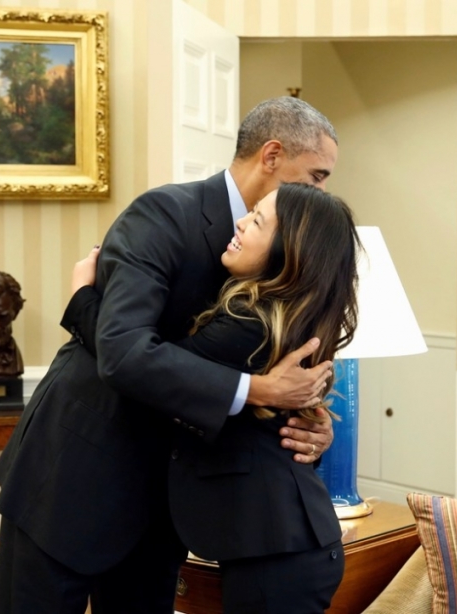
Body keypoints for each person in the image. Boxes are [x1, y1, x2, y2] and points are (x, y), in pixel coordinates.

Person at [0, 97, 341, 614]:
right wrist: (258, 391)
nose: (321, 191)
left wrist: (308, 419)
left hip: (167, 499)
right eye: (316, 174)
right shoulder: (163, 214)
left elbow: (253, 358)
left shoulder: (290, 252)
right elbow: (125, 351)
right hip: (72, 473)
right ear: (271, 156)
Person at [69, 183, 360, 612]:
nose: (240, 222)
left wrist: (81, 301)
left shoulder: (251, 325)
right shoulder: (280, 318)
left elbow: (147, 372)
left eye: (257, 220)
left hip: (278, 551)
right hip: (279, 547)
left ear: (288, 251)